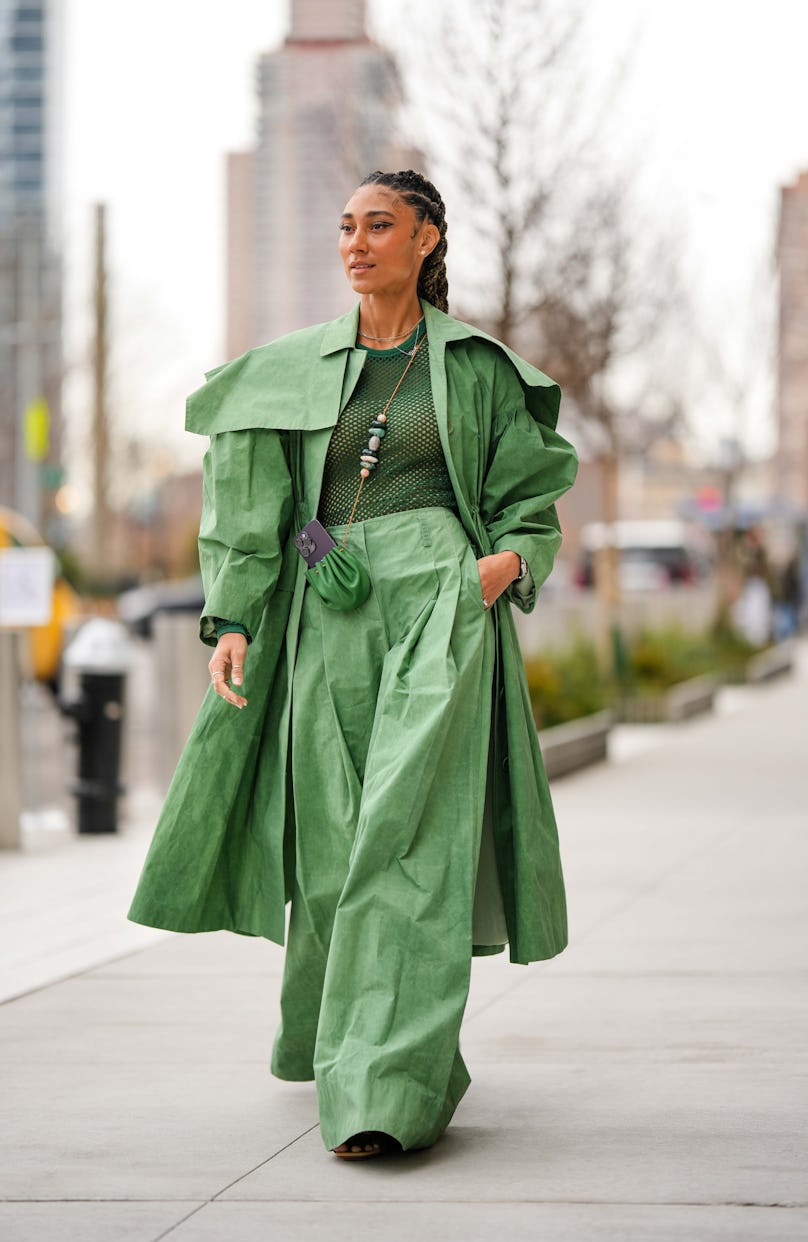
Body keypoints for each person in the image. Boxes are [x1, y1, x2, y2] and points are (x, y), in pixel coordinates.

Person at [128, 169, 578, 1160]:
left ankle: (390, 1088)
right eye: (346, 226)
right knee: (332, 845)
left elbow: (529, 501)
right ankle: (341, 1040)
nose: (357, 242)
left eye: (381, 225)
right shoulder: (290, 370)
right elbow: (260, 506)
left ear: (427, 240)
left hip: (442, 609)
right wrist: (238, 616)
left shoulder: (476, 368)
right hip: (329, 615)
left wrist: (503, 567)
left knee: (408, 834)